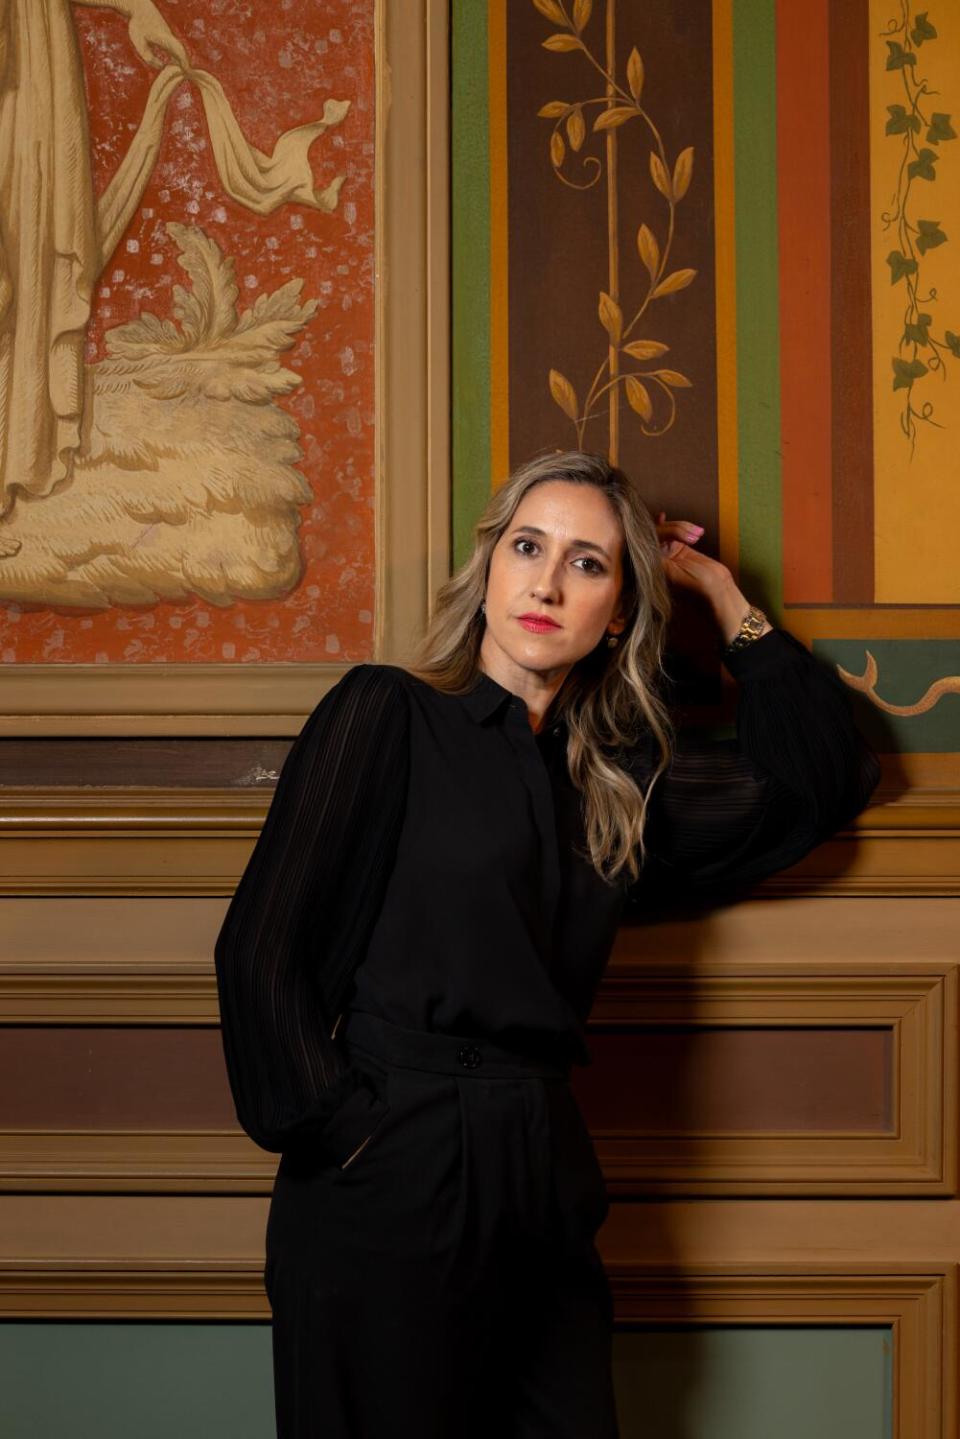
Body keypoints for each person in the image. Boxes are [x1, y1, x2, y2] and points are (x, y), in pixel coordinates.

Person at [214, 449, 880, 1439]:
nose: (547, 581)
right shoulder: (387, 714)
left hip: (542, 1164)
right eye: (528, 546)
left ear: (617, 613)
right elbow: (260, 952)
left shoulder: (615, 789)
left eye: (589, 562)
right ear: (489, 569)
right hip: (389, 1157)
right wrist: (349, 1133)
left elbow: (822, 780)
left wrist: (721, 590)